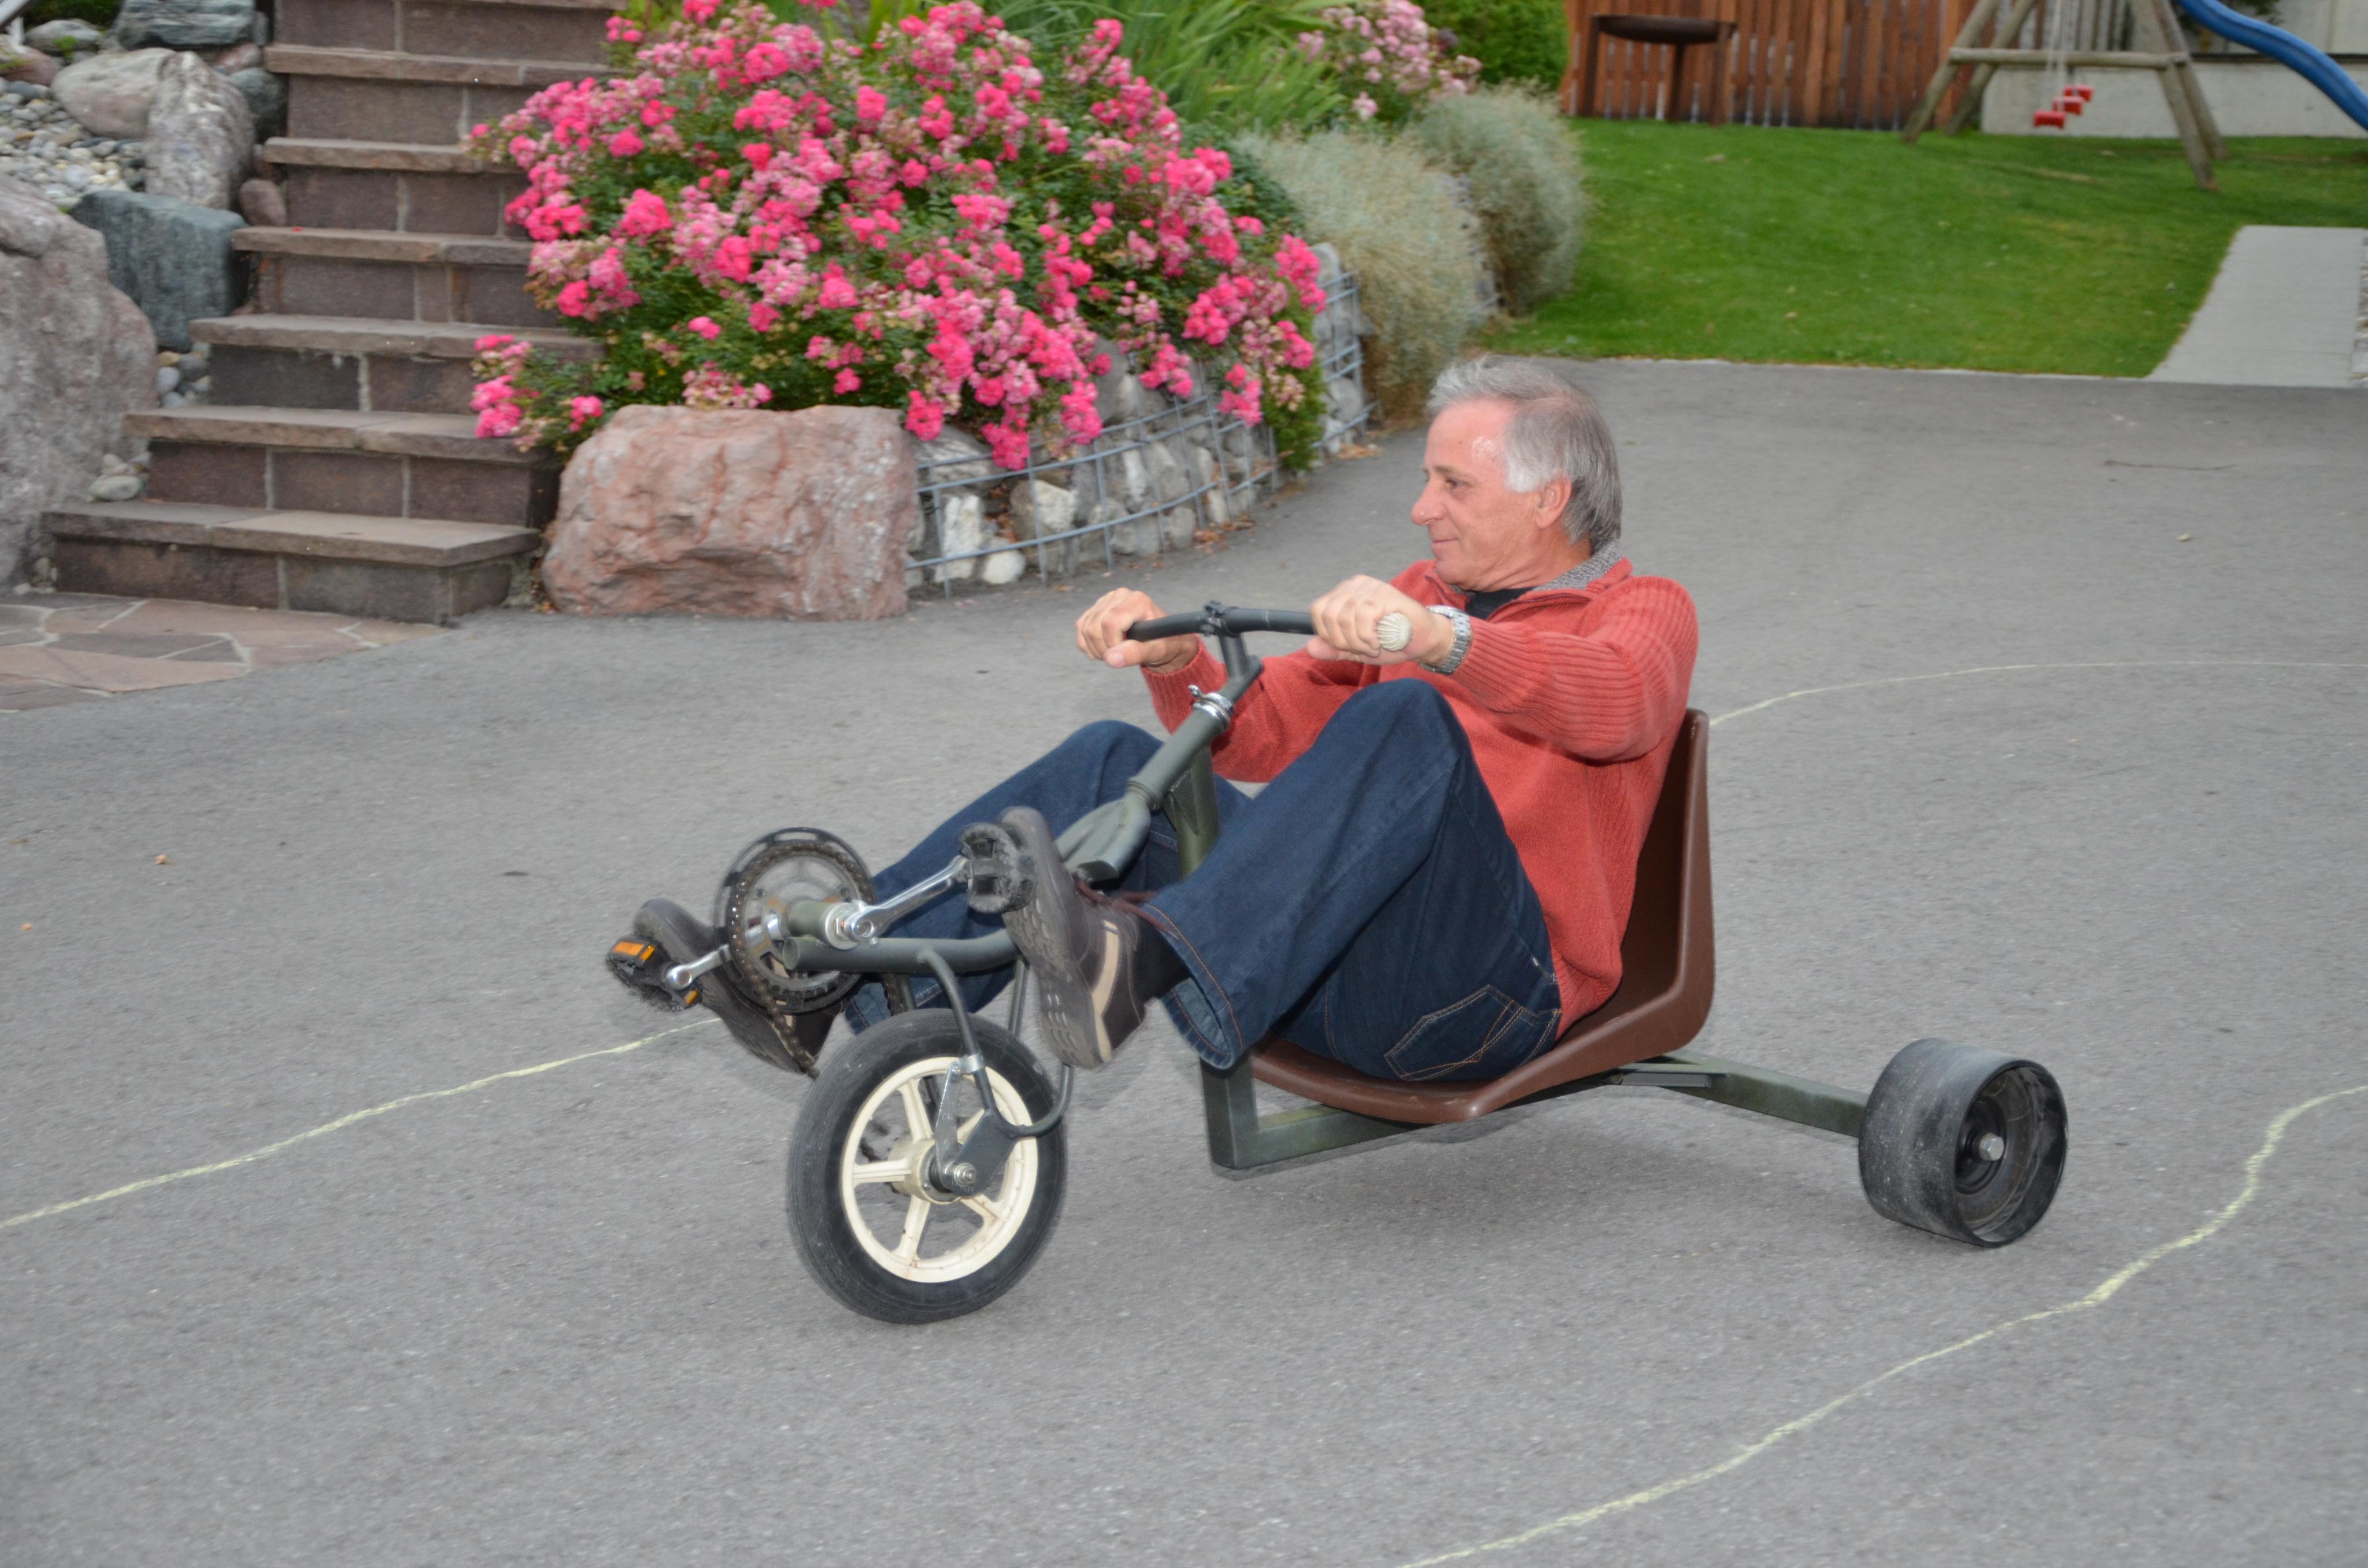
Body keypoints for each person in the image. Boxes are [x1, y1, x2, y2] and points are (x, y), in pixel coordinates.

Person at [656, 356, 1698, 1083]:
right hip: (1326, 967)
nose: (1423, 508)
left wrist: (1441, 642)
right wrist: (1176, 661)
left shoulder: (1644, 612)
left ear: (1549, 499)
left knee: (1411, 718)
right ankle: (828, 985)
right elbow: (1261, 733)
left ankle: (1142, 966)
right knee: (1113, 760)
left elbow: (1615, 702)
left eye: (1453, 484)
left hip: (1479, 1002)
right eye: (1428, 480)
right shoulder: (1422, 592)